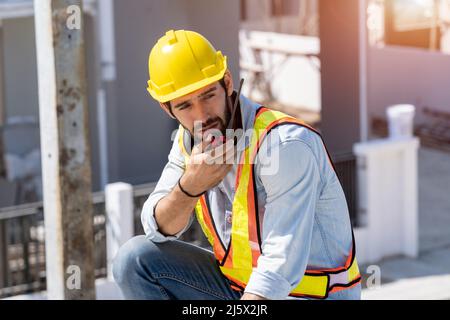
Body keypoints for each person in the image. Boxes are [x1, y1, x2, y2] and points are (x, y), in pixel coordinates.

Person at [113, 29, 361, 300]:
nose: (202, 116)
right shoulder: (189, 140)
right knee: (135, 260)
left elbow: (279, 265)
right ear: (167, 109)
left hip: (306, 296)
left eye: (208, 95)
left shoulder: (284, 144)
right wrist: (190, 187)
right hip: (237, 290)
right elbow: (158, 228)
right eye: (185, 105)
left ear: (227, 82)